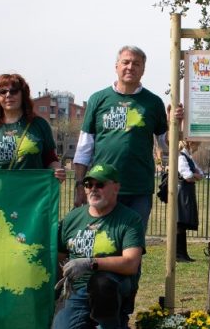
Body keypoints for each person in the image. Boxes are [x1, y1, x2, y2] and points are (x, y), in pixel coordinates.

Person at [48, 164, 145, 329]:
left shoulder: (129, 219)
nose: (93, 189)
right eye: (88, 184)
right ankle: (93, 322)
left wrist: (91, 263)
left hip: (113, 285)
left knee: (101, 281)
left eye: (99, 184)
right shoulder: (73, 218)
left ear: (116, 187)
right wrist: (55, 294)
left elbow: (131, 263)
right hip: (77, 288)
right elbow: (58, 257)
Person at [72, 46, 169, 227]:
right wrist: (79, 186)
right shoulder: (98, 99)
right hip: (102, 186)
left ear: (143, 70)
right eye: (126, 62)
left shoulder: (153, 103)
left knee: (133, 244)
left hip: (138, 189)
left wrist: (174, 126)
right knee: (103, 243)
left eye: (136, 64)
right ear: (116, 66)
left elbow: (166, 144)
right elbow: (84, 148)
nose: (130, 67)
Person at [175, 140, 205, 262]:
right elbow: (187, 177)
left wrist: (195, 175)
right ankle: (178, 254)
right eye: (197, 145)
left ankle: (183, 254)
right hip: (181, 193)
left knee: (183, 222)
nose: (197, 148)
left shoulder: (188, 158)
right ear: (190, 144)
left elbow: (201, 174)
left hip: (186, 192)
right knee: (180, 222)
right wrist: (195, 175)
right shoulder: (181, 158)